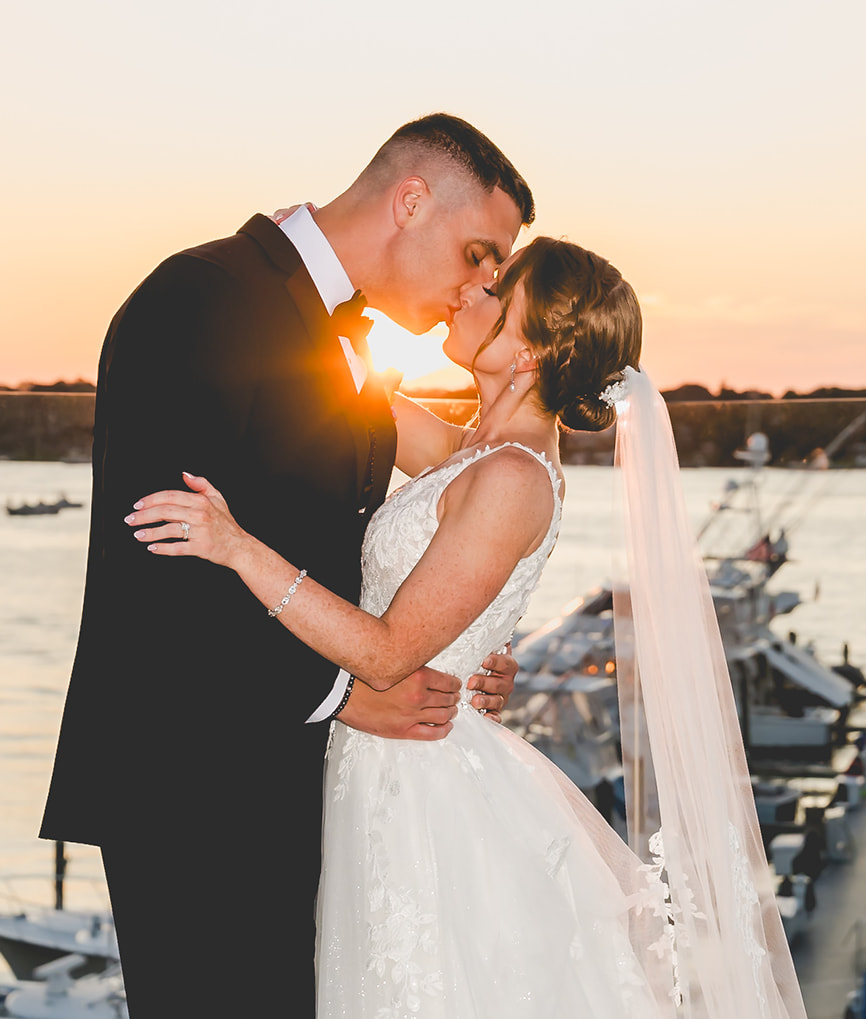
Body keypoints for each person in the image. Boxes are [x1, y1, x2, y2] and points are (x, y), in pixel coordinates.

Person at [131, 238, 809, 1016]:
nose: (468, 290)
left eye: (496, 289)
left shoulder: (514, 477)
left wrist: (235, 546)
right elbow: (352, 393)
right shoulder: (471, 449)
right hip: (384, 762)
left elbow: (387, 654)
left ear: (527, 349)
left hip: (420, 784)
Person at [39, 114, 532, 1017]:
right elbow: (163, 554)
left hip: (302, 777)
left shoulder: (349, 342)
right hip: (191, 782)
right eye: (476, 254)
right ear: (410, 201)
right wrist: (346, 692)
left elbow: (403, 524)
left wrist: (462, 653)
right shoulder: (200, 295)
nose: (477, 287)